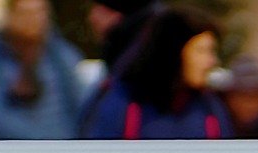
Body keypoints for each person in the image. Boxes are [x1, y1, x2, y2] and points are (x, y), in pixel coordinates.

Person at [81, 5, 231, 139]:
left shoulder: (210, 110)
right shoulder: (121, 103)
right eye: (202, 51)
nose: (212, 61)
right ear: (173, 52)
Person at [0, 0, 87, 140]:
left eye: (40, 12)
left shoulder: (64, 58)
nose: (33, 19)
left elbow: (82, 113)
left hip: (60, 150)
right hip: (6, 150)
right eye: (25, 13)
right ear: (9, 15)